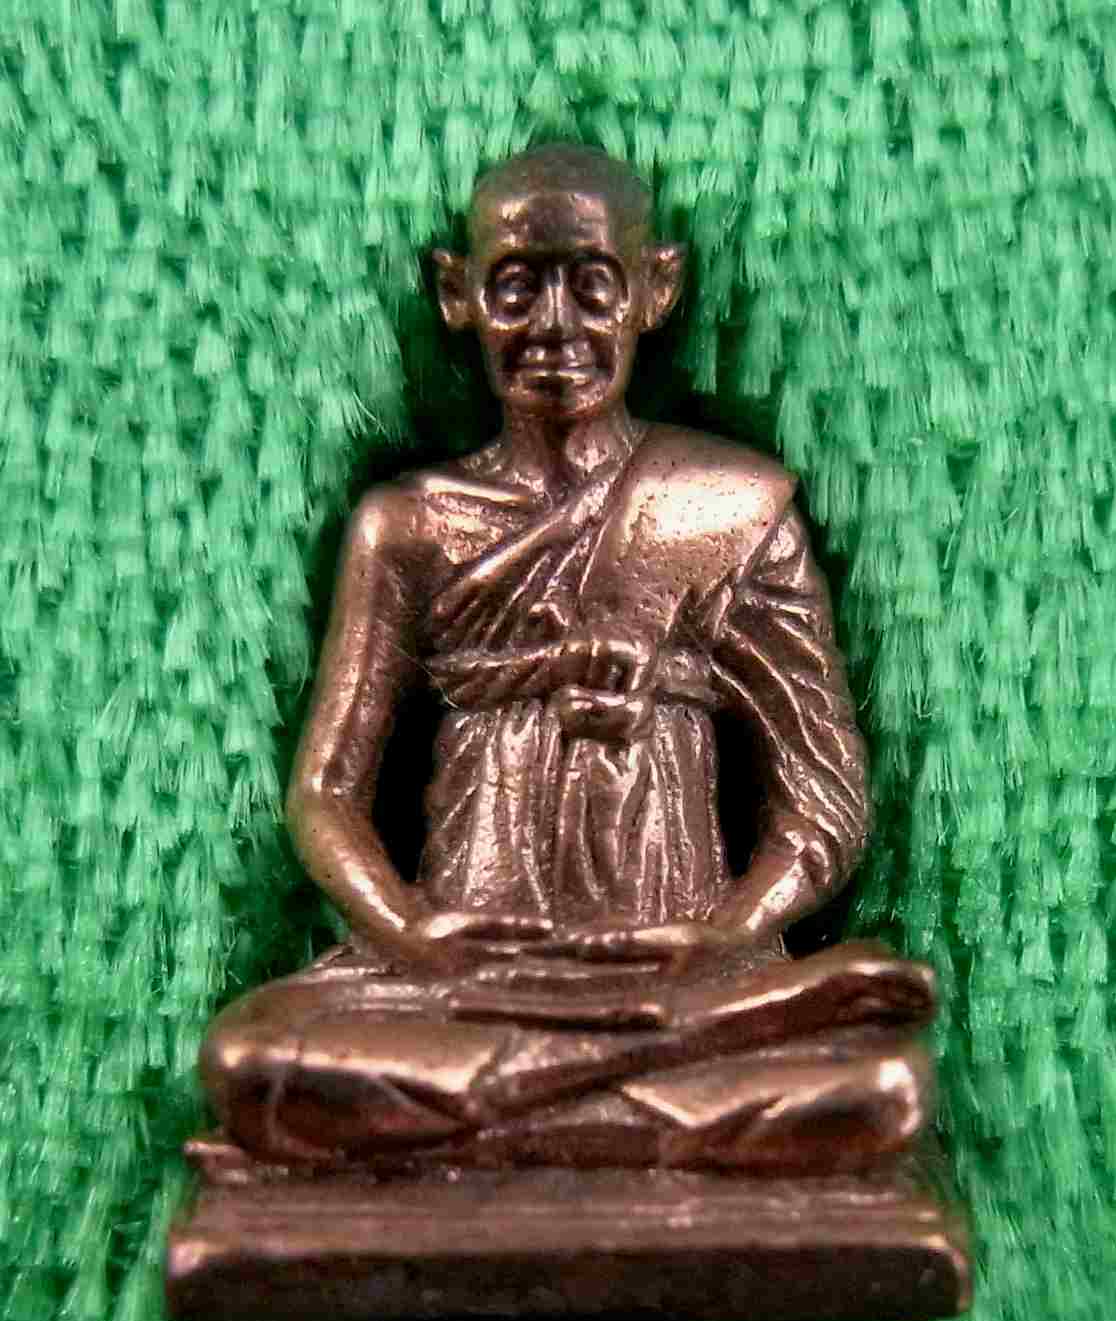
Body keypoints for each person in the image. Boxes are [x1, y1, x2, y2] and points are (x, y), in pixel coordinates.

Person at [200, 145, 934, 1173]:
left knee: (884, 1089)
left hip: (682, 974)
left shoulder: (729, 507)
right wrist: (410, 933)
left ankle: (503, 1119)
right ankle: (622, 1110)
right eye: (516, 287)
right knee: (252, 1060)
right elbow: (325, 794)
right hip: (466, 980)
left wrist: (727, 934)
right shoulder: (408, 526)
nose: (555, 327)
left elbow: (822, 803)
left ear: (654, 290)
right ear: (457, 295)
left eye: (592, 286)